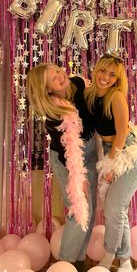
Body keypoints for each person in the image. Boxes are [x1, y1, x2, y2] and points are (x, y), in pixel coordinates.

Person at [85, 54, 137, 272]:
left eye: (112, 74)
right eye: (103, 71)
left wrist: (111, 166)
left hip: (129, 153)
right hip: (109, 151)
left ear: (117, 79)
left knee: (114, 208)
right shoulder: (90, 94)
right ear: (96, 70)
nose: (105, 77)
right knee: (118, 209)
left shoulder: (115, 97)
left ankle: (110, 253)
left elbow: (122, 133)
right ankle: (125, 260)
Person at [26, 63, 98, 272]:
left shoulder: (76, 84)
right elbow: (69, 150)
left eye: (57, 70)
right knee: (79, 211)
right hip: (68, 160)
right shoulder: (54, 115)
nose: (60, 76)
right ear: (47, 89)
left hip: (90, 150)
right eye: (52, 78)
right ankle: (65, 264)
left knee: (90, 212)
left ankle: (79, 261)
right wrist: (79, 178)